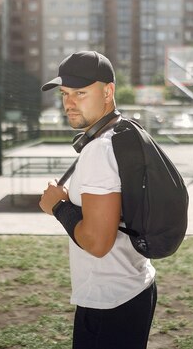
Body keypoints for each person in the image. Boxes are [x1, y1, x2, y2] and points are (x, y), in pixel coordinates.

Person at [39, 51, 157, 349]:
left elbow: (97, 242)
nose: (69, 103)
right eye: (65, 94)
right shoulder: (124, 132)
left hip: (109, 302)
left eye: (80, 92)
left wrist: (58, 206)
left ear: (108, 92)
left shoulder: (98, 151)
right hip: (134, 287)